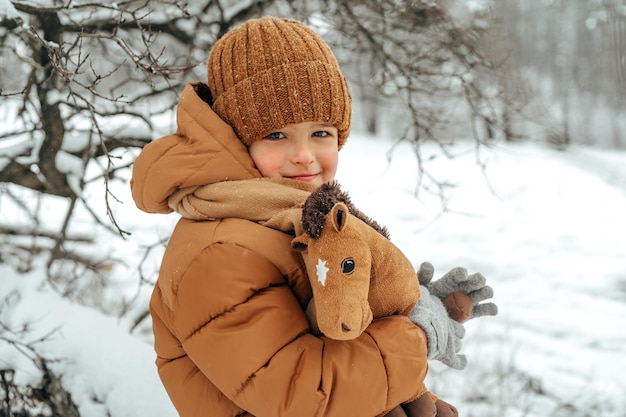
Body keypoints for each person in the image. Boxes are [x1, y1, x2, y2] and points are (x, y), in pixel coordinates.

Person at [130, 16, 496, 417]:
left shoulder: (284, 215)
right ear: (237, 136)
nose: (304, 154)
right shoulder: (220, 252)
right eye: (275, 134)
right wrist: (418, 335)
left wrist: (398, 301)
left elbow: (343, 341)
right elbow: (308, 395)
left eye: (321, 133)